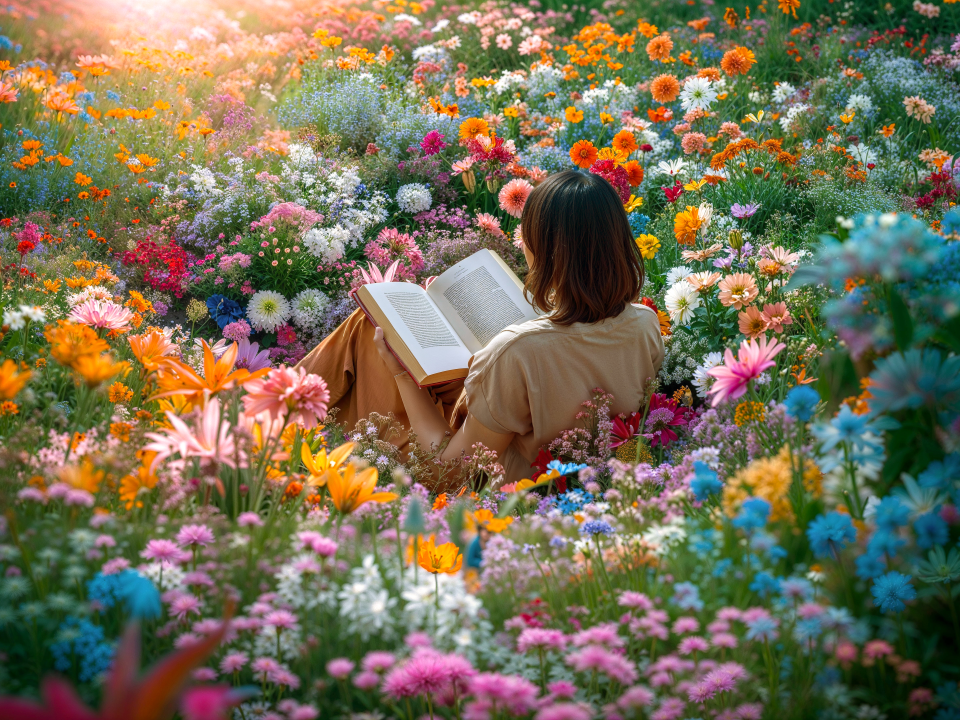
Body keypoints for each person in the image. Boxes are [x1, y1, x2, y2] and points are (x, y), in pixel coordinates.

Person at [297, 170, 664, 488]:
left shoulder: (517, 351)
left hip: (496, 490)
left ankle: (279, 413)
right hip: (553, 450)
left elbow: (446, 472)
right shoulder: (644, 324)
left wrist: (401, 374)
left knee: (369, 326)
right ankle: (280, 407)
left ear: (545, 249)